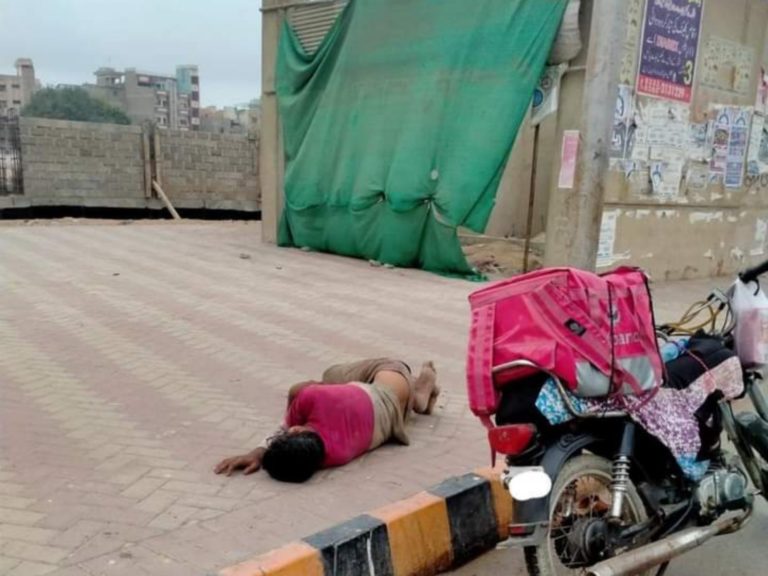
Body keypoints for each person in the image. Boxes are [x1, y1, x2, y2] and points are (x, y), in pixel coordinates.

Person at [214, 358, 440, 483]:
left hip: (393, 419)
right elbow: (283, 425)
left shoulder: (333, 456)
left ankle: (418, 397)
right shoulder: (312, 396)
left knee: (406, 400)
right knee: (329, 374)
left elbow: (290, 452)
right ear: (295, 431)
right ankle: (418, 386)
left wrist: (256, 454)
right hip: (391, 378)